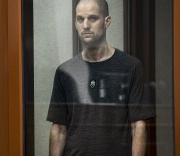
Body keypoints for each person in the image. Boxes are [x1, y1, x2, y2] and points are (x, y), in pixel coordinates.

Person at [46, 0, 155, 155]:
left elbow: (138, 126)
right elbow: (58, 129)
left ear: (107, 21)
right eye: (80, 19)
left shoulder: (131, 67)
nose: (85, 25)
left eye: (92, 18)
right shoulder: (65, 71)